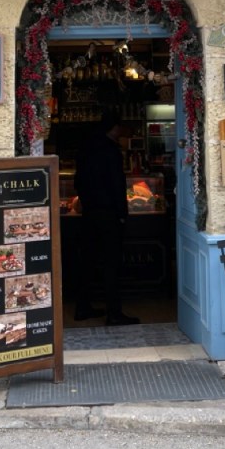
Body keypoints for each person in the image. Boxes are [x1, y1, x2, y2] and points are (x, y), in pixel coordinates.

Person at [74, 107, 140, 326]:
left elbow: (77, 181)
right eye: (119, 126)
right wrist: (122, 214)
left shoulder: (87, 147)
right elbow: (117, 185)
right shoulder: (111, 151)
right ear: (114, 128)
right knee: (111, 263)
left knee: (88, 261)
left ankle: (82, 307)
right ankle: (114, 313)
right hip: (108, 214)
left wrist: (85, 201)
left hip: (89, 213)